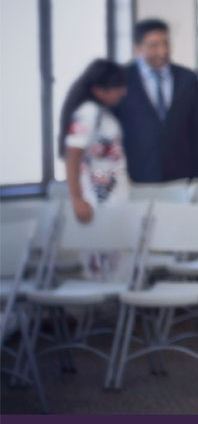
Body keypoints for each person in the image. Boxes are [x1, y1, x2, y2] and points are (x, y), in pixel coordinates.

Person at [112, 19, 198, 183]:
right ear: (138, 48)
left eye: (165, 44)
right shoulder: (122, 79)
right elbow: (113, 130)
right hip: (136, 176)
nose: (162, 51)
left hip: (181, 176)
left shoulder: (188, 79)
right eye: (154, 46)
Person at [59, 59, 131, 281]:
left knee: (116, 268)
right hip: (98, 203)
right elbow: (72, 158)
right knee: (103, 271)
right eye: (118, 87)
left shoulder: (102, 114)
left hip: (111, 201)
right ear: (99, 90)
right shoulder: (88, 113)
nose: (123, 92)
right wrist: (77, 199)